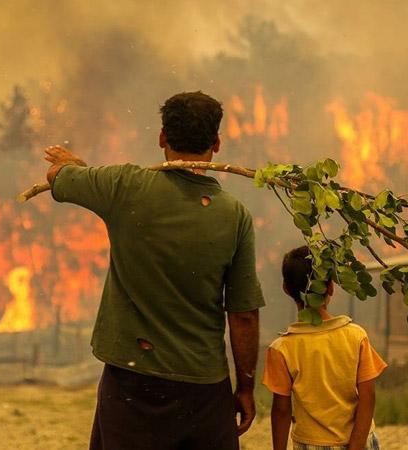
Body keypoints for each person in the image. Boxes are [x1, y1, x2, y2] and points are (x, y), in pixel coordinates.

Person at [44, 91, 265, 450]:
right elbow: (243, 315)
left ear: (162, 138)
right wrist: (245, 387)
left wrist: (73, 165)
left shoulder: (124, 187)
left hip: (132, 383)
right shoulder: (234, 215)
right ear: (217, 143)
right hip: (203, 388)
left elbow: (58, 176)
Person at [263, 246, 387, 450]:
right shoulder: (356, 336)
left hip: (311, 445)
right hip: (359, 441)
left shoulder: (282, 349)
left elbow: (282, 410)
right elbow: (368, 398)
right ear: (331, 287)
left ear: (285, 288)